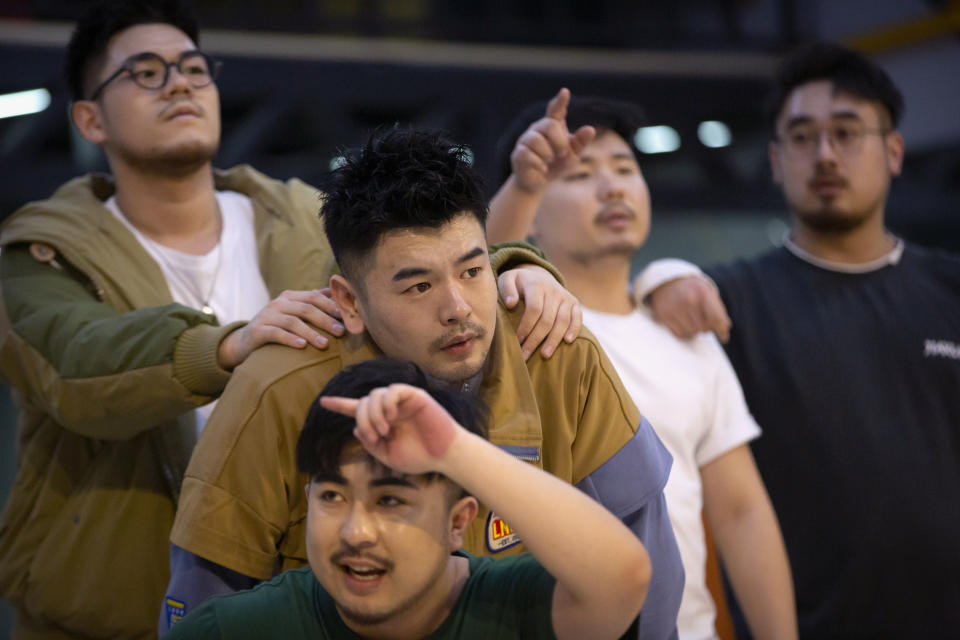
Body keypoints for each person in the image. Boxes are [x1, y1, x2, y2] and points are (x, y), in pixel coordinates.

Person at [0, 1, 581, 637]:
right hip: (107, 603)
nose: (179, 84)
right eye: (145, 72)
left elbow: (432, 263)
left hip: (291, 583)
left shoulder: (299, 213)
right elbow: (76, 361)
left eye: (194, 67)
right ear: (89, 118)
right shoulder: (40, 248)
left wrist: (520, 266)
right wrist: (226, 346)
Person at [167, 128, 685, 640]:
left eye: (472, 271)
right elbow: (209, 593)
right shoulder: (275, 386)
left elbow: (645, 561)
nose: (457, 308)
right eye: (419, 285)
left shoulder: (555, 349)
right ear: (349, 302)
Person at [634, 42, 960, 638]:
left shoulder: (951, 288)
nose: (826, 154)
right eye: (804, 137)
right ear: (777, 161)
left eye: (847, 132)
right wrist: (660, 278)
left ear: (893, 151)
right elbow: (623, 320)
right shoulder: (726, 303)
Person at [486, 90, 797, 640]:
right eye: (578, 175)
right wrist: (525, 185)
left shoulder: (687, 334)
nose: (612, 187)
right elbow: (475, 273)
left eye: (626, 168)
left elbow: (742, 511)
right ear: (529, 217)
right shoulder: (519, 327)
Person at [165, 358, 651, 639]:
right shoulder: (233, 631)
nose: (356, 532)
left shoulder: (515, 607)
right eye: (332, 495)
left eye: (390, 501)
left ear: (459, 521)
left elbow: (623, 578)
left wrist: (456, 451)